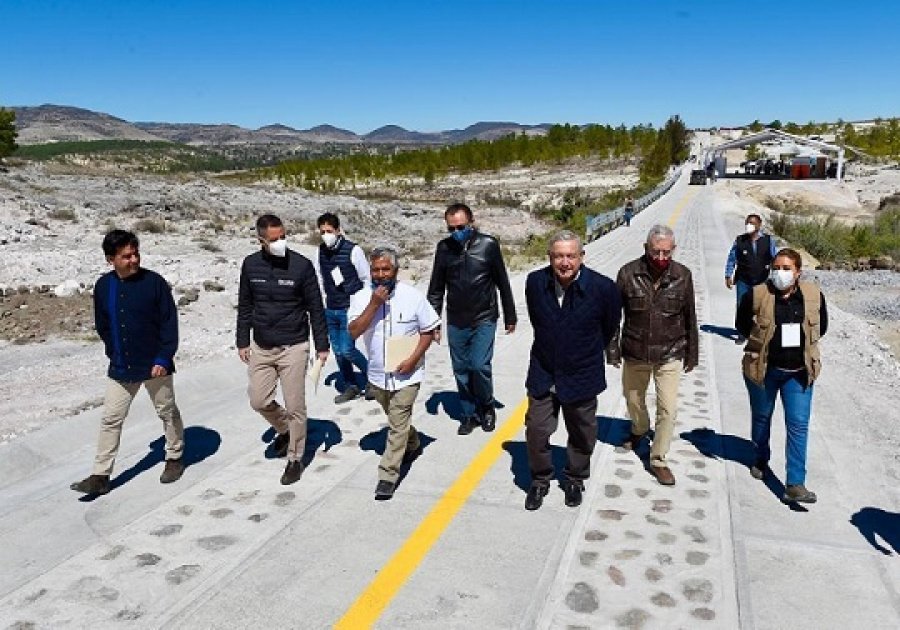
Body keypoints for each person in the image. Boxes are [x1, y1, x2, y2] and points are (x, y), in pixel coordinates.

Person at [71, 230, 185, 496]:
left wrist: (163, 357)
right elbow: (103, 325)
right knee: (111, 418)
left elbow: (169, 324)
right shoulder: (104, 286)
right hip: (121, 366)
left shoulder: (154, 283)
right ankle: (100, 475)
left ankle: (174, 457)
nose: (134, 260)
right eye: (126, 256)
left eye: (136, 254)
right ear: (111, 259)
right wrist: (113, 351)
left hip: (155, 365)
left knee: (166, 411)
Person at [523, 231, 621, 510]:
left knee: (581, 432)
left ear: (581, 257)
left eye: (570, 256)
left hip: (582, 373)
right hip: (544, 371)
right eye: (558, 256)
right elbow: (538, 321)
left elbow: (610, 325)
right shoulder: (535, 282)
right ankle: (540, 479)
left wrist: (582, 350)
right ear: (549, 257)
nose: (564, 262)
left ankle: (575, 478)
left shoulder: (603, 288)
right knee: (537, 430)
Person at [236, 214, 329, 486]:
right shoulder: (250, 265)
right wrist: (243, 340)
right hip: (261, 345)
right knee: (259, 400)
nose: (280, 243)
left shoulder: (301, 265)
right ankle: (285, 429)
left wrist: (321, 345)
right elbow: (245, 305)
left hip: (294, 345)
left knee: (295, 405)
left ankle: (295, 458)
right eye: (274, 239)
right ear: (261, 240)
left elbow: (315, 308)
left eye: (283, 237)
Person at [607, 225, 699, 486]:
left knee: (668, 409)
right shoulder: (627, 273)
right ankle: (639, 429)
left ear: (674, 250)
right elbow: (614, 315)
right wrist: (612, 349)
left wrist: (692, 353)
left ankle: (658, 459)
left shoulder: (683, 275)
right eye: (656, 252)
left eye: (666, 252)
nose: (661, 258)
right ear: (646, 248)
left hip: (670, 352)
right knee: (633, 401)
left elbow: (689, 316)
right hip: (635, 350)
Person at [736, 248, 827, 504]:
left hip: (798, 374)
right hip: (765, 370)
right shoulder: (757, 294)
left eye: (786, 269)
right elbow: (741, 323)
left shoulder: (813, 296)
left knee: (798, 425)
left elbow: (823, 327)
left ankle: (795, 483)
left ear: (798, 272)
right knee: (762, 417)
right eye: (776, 268)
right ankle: (760, 457)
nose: (780, 273)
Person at [349, 247, 440, 500]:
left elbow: (429, 330)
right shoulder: (359, 298)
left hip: (407, 375)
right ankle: (413, 442)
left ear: (396, 271)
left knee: (397, 422)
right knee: (395, 420)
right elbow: (354, 331)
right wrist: (374, 304)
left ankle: (388, 474)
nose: (380, 274)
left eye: (385, 269)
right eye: (376, 270)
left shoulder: (413, 297)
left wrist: (413, 359)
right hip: (377, 377)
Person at [427, 202, 517, 436]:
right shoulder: (444, 249)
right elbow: (436, 288)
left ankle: (486, 406)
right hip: (456, 319)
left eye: (461, 227)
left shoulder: (488, 245)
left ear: (471, 222)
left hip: (484, 316)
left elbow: (502, 281)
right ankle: (469, 413)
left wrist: (510, 314)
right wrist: (432, 322)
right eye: (451, 228)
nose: (456, 232)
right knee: (461, 369)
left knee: (478, 365)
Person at [316, 212, 372, 403]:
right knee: (339, 352)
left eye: (329, 231)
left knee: (348, 349)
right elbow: (322, 278)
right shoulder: (321, 251)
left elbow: (366, 278)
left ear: (338, 230)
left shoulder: (353, 250)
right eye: (322, 232)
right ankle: (351, 385)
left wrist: (361, 305)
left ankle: (372, 378)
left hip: (350, 308)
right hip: (331, 308)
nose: (325, 235)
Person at [725, 213, 778, 343]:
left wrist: (778, 276)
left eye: (753, 223)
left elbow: (775, 258)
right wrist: (728, 274)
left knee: (761, 307)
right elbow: (732, 258)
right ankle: (742, 333)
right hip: (743, 279)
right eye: (748, 223)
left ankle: (758, 332)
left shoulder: (768, 240)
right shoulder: (740, 241)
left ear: (759, 225)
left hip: (762, 280)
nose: (750, 226)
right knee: (742, 305)